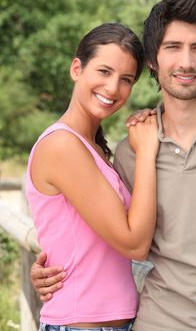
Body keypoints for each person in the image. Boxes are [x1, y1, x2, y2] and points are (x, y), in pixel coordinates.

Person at [31, 0, 196, 331]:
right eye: (173, 47)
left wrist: (52, 259)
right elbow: (132, 242)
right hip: (147, 323)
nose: (186, 62)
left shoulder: (104, 150)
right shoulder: (127, 151)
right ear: (154, 60)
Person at [26, 22, 159, 331]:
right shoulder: (62, 145)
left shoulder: (95, 149)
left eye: (126, 79)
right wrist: (147, 151)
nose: (113, 88)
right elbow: (135, 245)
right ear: (77, 68)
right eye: (104, 71)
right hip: (82, 325)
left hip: (111, 323)